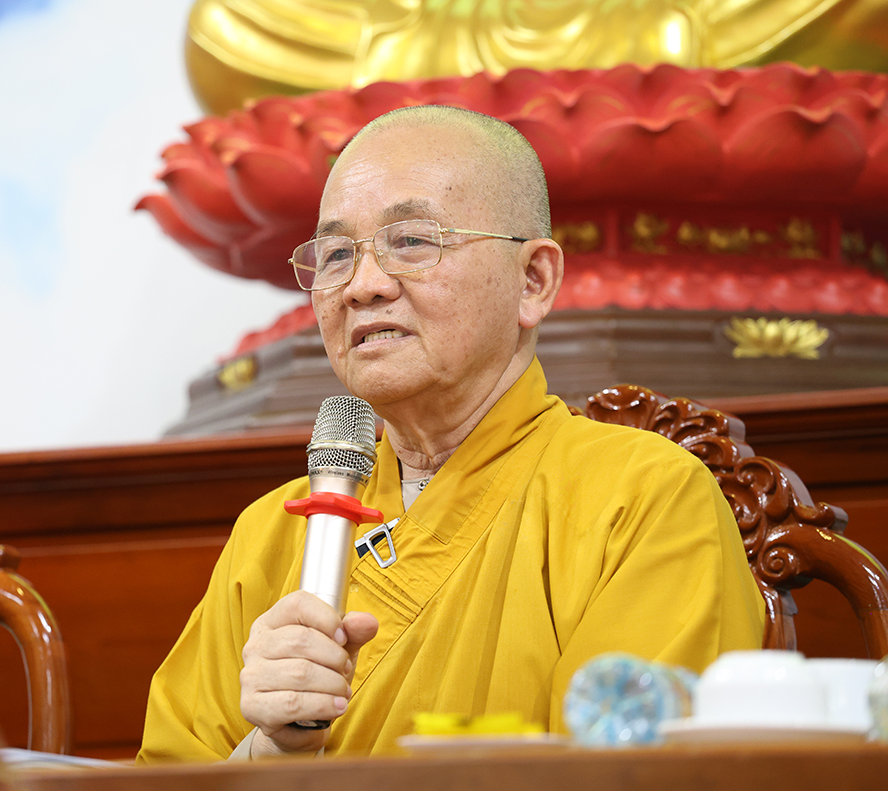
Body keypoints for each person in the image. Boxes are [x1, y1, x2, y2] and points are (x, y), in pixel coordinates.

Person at [136, 105, 765, 763]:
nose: (362, 286)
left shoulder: (644, 498)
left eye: (412, 240)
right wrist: (271, 749)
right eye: (337, 254)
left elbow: (644, 773)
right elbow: (169, 773)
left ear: (533, 280)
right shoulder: (271, 534)